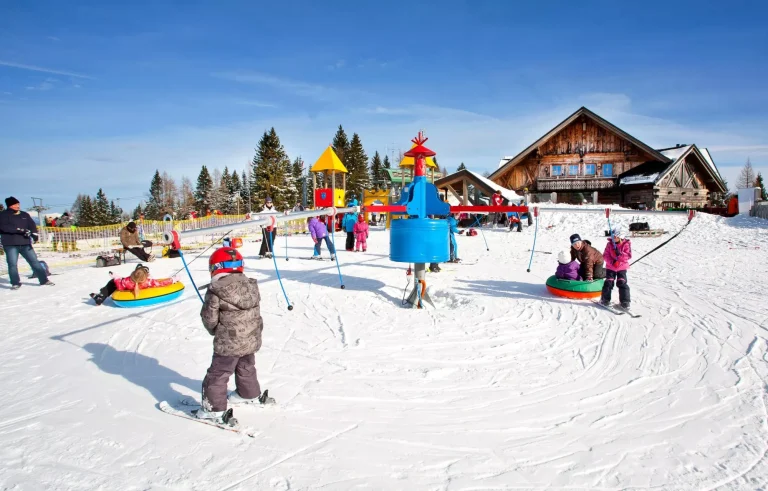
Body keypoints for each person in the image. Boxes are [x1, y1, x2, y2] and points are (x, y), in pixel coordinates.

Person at [195, 247, 273, 425]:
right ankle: (249, 393)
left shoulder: (216, 290)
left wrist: (215, 330)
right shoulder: (251, 286)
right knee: (246, 365)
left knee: (218, 373)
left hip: (229, 341)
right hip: (251, 337)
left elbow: (209, 318)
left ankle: (213, 409)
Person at [0, 196, 54, 289]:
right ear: (10, 205)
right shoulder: (3, 215)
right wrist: (20, 230)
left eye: (18, 204)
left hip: (25, 243)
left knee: (35, 262)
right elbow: (4, 227)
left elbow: (32, 225)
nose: (18, 206)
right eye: (15, 204)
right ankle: (15, 283)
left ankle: (44, 280)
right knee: (12, 264)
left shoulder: (24, 214)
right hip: (10, 244)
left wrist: (34, 234)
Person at [89, 264, 174, 305]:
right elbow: (160, 283)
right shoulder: (148, 282)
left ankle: (101, 296)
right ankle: (101, 296)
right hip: (131, 288)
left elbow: (119, 283)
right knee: (113, 283)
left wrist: (115, 277)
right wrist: (173, 279)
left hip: (125, 288)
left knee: (112, 283)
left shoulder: (128, 281)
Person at [600, 227, 632, 309]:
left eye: (615, 236)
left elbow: (628, 256)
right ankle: (605, 299)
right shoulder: (609, 244)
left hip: (621, 268)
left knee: (622, 283)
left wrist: (620, 254)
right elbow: (605, 255)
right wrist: (612, 262)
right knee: (608, 283)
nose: (613, 238)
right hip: (611, 267)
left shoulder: (626, 244)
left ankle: (625, 301)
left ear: (620, 237)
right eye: (612, 236)